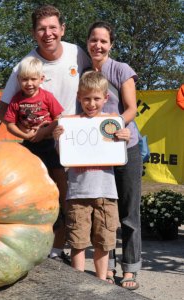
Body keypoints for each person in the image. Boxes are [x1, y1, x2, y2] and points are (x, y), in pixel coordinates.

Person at [0, 4, 91, 261]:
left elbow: (95, 84)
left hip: (75, 138)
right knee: (41, 196)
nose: (47, 33)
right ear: (33, 33)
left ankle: (75, 248)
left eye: (52, 27)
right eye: (41, 29)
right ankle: (51, 248)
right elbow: (4, 109)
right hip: (39, 143)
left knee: (74, 198)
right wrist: (27, 130)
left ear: (62, 29)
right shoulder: (24, 67)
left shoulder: (78, 54)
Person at [53, 71, 130, 281]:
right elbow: (64, 156)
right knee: (77, 241)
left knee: (104, 241)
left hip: (106, 192)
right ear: (79, 97)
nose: (91, 103)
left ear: (106, 98)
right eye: (86, 98)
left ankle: (101, 280)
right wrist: (59, 139)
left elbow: (121, 150)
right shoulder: (70, 124)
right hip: (78, 193)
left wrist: (125, 135)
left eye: (96, 98)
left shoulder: (113, 124)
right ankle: (79, 284)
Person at [87, 21, 142, 289]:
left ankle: (130, 268)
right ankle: (106, 266)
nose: (98, 45)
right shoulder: (84, 73)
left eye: (103, 41)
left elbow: (131, 108)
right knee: (103, 212)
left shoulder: (121, 70)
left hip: (126, 148)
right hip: (98, 153)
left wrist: (118, 127)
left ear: (111, 45)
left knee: (129, 213)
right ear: (87, 43)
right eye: (93, 40)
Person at [4, 56, 65, 197]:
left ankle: (66, 210)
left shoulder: (47, 97)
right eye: (25, 79)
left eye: (33, 79)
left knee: (60, 176)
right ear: (18, 80)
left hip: (50, 143)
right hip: (29, 144)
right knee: (32, 177)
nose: (29, 83)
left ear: (41, 79)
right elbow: (10, 125)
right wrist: (25, 136)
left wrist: (44, 132)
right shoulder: (16, 100)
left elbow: (58, 118)